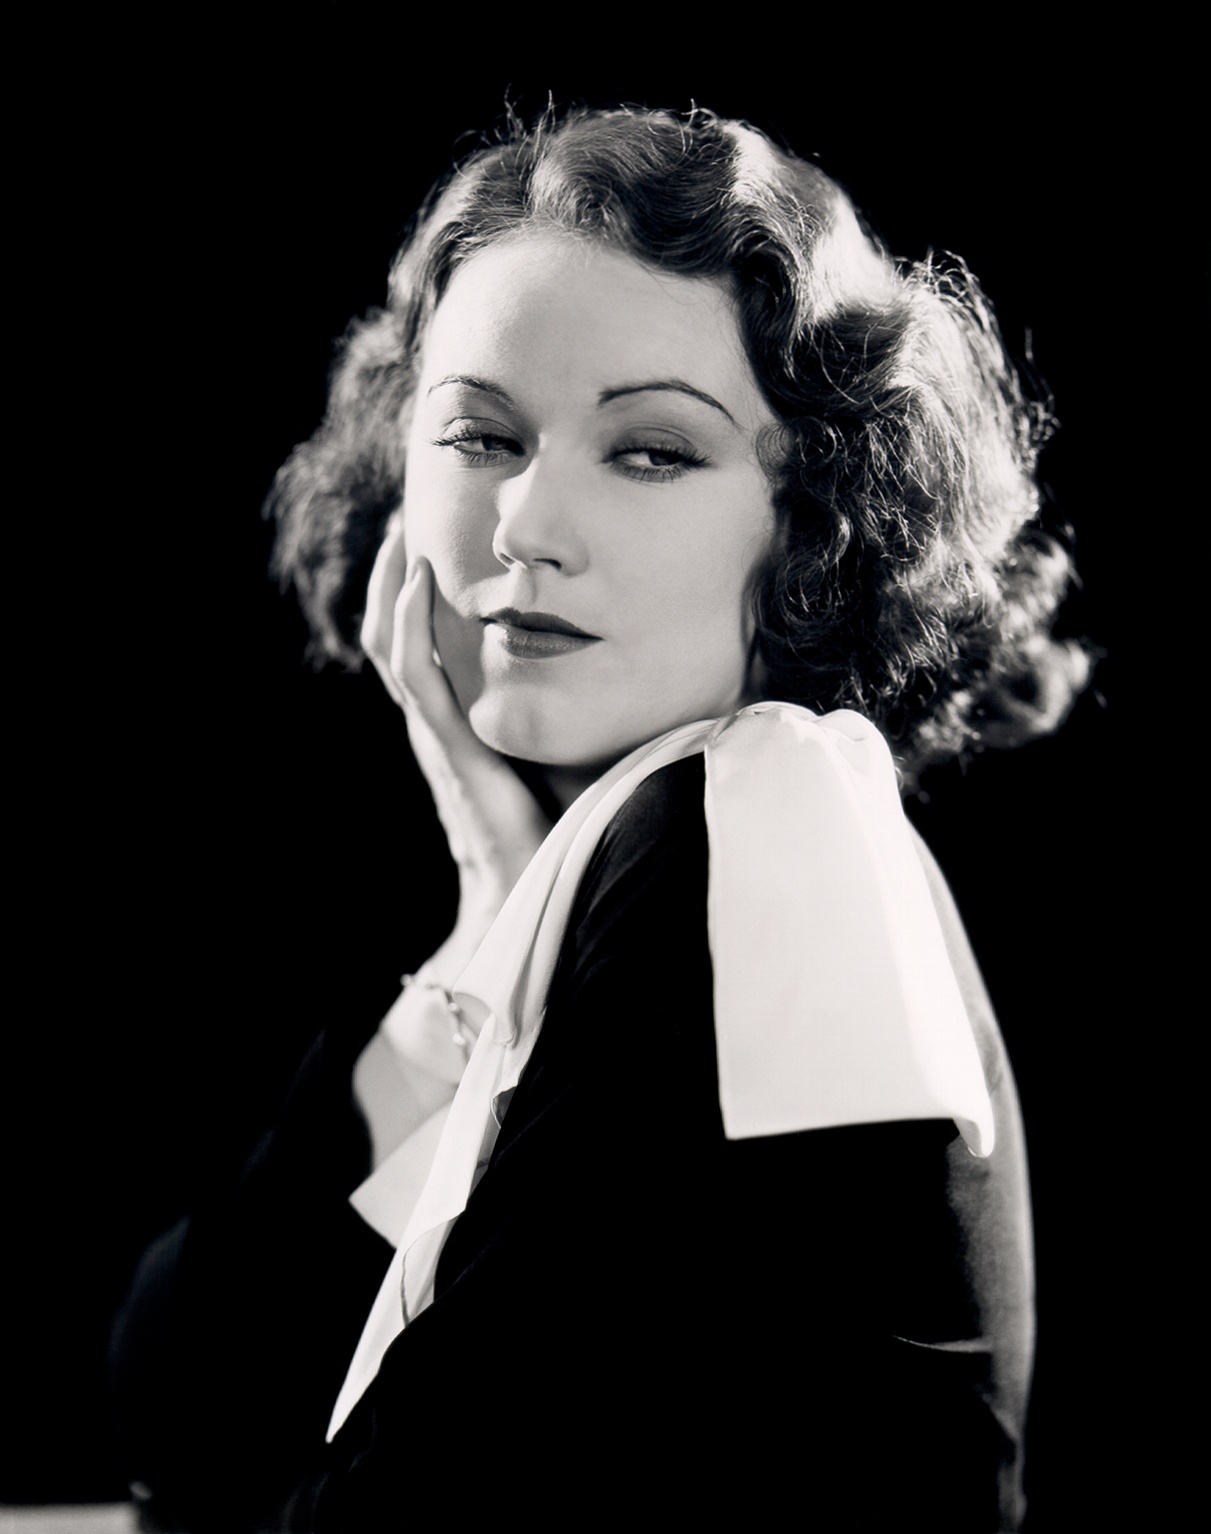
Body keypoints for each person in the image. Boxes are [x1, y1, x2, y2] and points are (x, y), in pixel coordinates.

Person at [110, 105, 1089, 1532]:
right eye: (482, 434)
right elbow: (178, 1408)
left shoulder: (764, 815)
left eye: (650, 452)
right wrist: (488, 911)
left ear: (816, 521)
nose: (525, 525)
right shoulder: (640, 858)